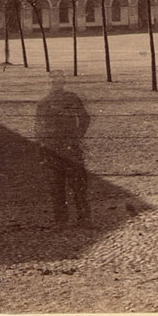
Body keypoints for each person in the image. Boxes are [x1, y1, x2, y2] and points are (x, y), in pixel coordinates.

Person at [35, 70, 92, 227]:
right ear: (49, 83)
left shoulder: (71, 98)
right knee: (56, 187)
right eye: (53, 81)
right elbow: (38, 129)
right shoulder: (43, 103)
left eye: (59, 81)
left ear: (63, 82)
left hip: (70, 148)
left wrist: (77, 136)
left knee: (78, 186)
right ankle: (61, 220)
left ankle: (84, 218)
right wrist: (42, 150)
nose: (56, 84)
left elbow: (85, 118)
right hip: (52, 150)